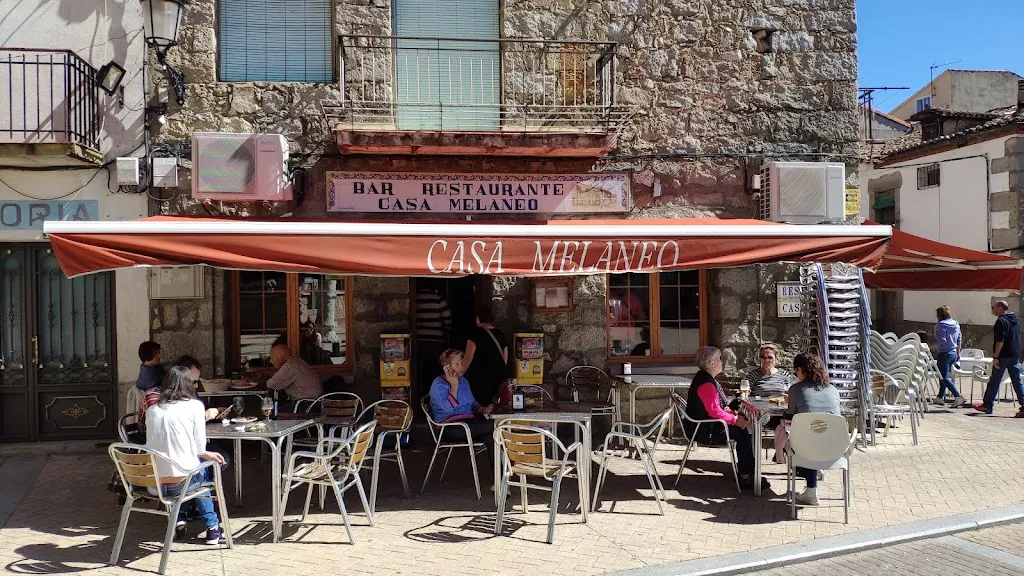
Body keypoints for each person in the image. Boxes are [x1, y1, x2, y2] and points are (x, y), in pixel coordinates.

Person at [144, 366, 226, 544]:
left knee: (187, 472)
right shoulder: (195, 406)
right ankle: (213, 528)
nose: (196, 386)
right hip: (181, 483)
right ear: (188, 385)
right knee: (204, 474)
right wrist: (209, 455)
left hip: (154, 484)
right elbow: (199, 448)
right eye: (194, 383)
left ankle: (179, 518)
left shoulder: (152, 410)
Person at [683, 346, 763, 490]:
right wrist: (735, 420)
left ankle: (749, 470)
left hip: (706, 425)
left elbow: (717, 409)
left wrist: (735, 415)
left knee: (744, 427)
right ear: (711, 364)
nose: (722, 361)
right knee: (743, 433)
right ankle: (746, 475)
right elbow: (714, 411)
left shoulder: (704, 378)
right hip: (705, 430)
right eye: (720, 358)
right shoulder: (706, 383)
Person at [777, 353, 842, 506]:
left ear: (800, 370)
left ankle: (811, 487)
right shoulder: (832, 389)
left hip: (809, 447)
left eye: (795, 371)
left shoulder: (796, 389)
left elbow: (790, 414)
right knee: (815, 434)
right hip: (836, 447)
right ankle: (815, 472)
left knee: (794, 436)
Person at [429, 348, 495, 462]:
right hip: (450, 428)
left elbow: (472, 403)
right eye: (457, 364)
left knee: (492, 437)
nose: (461, 367)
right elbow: (449, 409)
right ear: (447, 367)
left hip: (468, 424)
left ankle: (500, 476)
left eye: (461, 363)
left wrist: (483, 409)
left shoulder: (463, 381)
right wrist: (454, 386)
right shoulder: (438, 385)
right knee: (496, 426)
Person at [977, 300, 1024, 417]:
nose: (992, 310)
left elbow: (1000, 340)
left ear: (1000, 308)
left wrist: (996, 356)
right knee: (1017, 381)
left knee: (994, 380)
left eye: (994, 307)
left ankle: (987, 405)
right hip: (1014, 354)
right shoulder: (1015, 319)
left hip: (1003, 355)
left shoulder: (1001, 321)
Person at [462, 305, 509, 405]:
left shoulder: (475, 335)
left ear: (478, 318)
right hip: (498, 376)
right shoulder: (500, 334)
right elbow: (504, 358)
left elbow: (468, 359)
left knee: (481, 405)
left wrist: (459, 375)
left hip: (480, 378)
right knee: (496, 404)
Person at [415, 282, 452, 402]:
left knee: (421, 369)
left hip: (420, 340)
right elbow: (447, 318)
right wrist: (447, 329)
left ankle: (422, 396)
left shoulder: (415, 297)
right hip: (436, 340)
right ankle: (434, 398)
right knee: (435, 370)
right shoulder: (438, 298)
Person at [267, 344, 324, 411]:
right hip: (315, 402)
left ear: (280, 359)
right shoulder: (295, 361)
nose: (271, 361)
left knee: (273, 413)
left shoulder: (289, 366)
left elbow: (270, 384)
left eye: (272, 358)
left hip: (307, 406)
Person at [934, 306, 967, 407]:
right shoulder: (955, 323)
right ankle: (939, 397)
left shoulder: (941, 325)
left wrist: (930, 346)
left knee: (943, 377)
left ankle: (958, 396)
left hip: (944, 353)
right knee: (945, 375)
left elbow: (942, 340)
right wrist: (958, 352)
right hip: (953, 353)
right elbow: (959, 338)